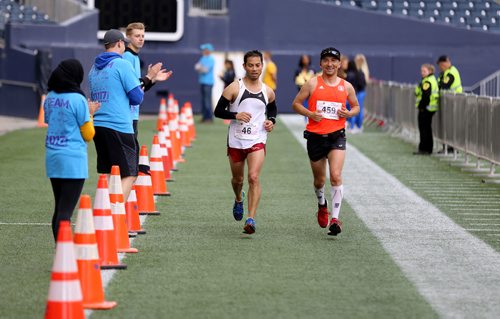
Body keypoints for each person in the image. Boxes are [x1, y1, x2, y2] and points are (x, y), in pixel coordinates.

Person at [292, 47, 360, 236]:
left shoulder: (346, 86)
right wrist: (310, 114)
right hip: (315, 137)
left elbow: (356, 106)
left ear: (339, 64)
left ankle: (336, 219)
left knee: (336, 176)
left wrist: (349, 113)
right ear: (321, 63)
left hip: (337, 135)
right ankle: (322, 204)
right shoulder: (312, 83)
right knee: (320, 180)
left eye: (334, 61)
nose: (330, 64)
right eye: (326, 61)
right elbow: (296, 103)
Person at [213, 50, 277, 234]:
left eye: (258, 65)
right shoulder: (234, 88)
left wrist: (271, 121)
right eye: (251, 65)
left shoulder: (268, 91)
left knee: (254, 177)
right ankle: (238, 199)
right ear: (244, 66)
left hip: (257, 138)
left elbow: (272, 109)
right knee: (238, 179)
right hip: (236, 140)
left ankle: (251, 219)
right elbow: (218, 111)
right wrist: (235, 115)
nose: (255, 68)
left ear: (262, 66)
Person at [44, 59, 100, 241]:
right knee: (65, 212)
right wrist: (90, 113)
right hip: (73, 160)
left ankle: (60, 251)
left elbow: (48, 120)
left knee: (59, 207)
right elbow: (88, 134)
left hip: (53, 156)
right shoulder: (78, 99)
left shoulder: (50, 97)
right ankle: (64, 255)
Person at [89, 29, 144, 203]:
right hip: (118, 126)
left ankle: (103, 216)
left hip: (98, 125)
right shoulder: (122, 64)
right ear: (120, 43)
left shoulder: (94, 68)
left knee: (110, 174)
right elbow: (137, 98)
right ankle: (115, 217)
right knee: (130, 174)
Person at [123, 22, 173, 138]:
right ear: (128, 37)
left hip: (133, 115)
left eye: (142, 36)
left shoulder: (134, 56)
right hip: (127, 115)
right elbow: (131, 88)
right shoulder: (127, 57)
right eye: (137, 36)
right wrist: (149, 77)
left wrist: (153, 79)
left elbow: (138, 88)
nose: (141, 39)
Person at [437, 55, 462, 153]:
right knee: (448, 125)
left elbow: (444, 85)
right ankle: (447, 146)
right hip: (448, 102)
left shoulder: (451, 73)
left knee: (451, 125)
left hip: (453, 102)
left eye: (441, 65)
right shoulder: (445, 73)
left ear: (446, 63)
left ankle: (452, 147)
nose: (440, 67)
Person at [414, 63, 439, 155]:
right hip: (429, 108)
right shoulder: (429, 80)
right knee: (427, 129)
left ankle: (424, 149)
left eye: (424, 71)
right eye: (421, 71)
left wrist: (421, 107)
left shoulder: (427, 82)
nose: (422, 73)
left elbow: (426, 96)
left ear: (430, 71)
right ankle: (427, 148)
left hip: (426, 109)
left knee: (424, 129)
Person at [195, 43, 215, 123]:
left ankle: (209, 117)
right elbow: (197, 67)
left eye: (205, 49)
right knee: (203, 100)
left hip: (208, 82)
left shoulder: (211, 59)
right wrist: (200, 68)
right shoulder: (203, 58)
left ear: (208, 50)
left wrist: (200, 68)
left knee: (207, 101)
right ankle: (204, 117)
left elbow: (204, 69)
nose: (203, 51)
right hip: (203, 81)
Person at [345, 60, 366, 133]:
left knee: (352, 109)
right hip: (357, 92)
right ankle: (357, 126)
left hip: (353, 93)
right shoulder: (358, 73)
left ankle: (352, 126)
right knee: (356, 109)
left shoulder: (350, 74)